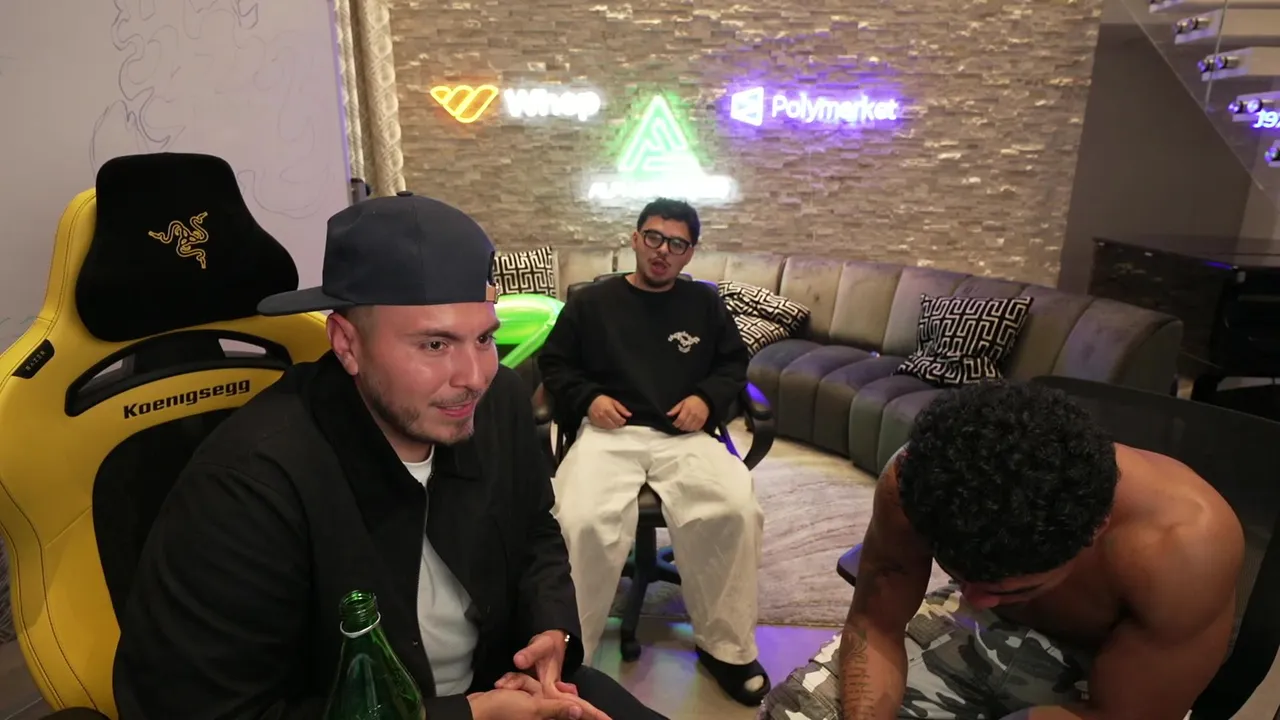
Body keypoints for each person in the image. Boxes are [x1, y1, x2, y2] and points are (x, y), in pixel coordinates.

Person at [112, 192, 667, 720]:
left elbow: (534, 531)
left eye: (483, 339)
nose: (474, 377)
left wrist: (550, 628)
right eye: (435, 344)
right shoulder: (246, 487)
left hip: (501, 684)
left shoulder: (499, 403)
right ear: (347, 344)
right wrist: (466, 715)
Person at [760, 380, 1244, 720]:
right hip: (978, 643)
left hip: (1111, 675)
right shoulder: (916, 478)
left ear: (1096, 529)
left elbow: (1120, 716)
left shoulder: (1182, 548)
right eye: (960, 576)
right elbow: (876, 622)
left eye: (1010, 589)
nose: (973, 599)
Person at [537, 198, 770, 706]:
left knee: (735, 508)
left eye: (677, 244)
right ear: (636, 238)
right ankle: (568, 656)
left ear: (690, 253)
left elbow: (732, 365)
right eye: (655, 238)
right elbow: (554, 364)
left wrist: (706, 399)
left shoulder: (705, 304)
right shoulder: (591, 303)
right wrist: (588, 398)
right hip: (609, 433)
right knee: (577, 518)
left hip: (685, 436)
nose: (663, 251)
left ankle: (727, 650)